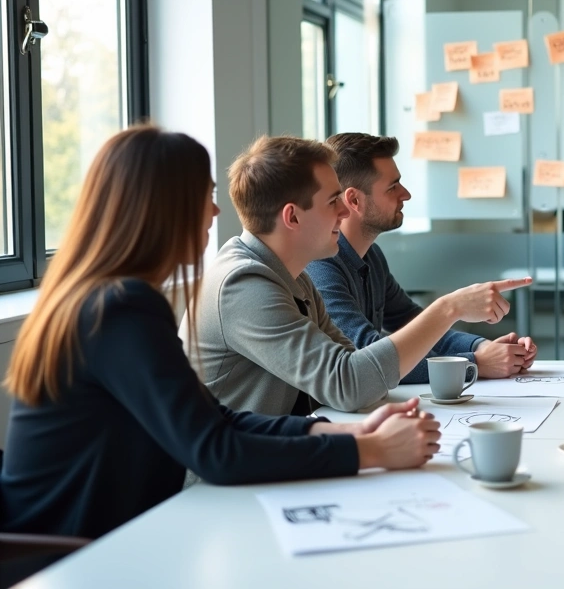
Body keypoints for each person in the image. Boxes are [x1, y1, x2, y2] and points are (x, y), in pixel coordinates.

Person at [0, 125, 441, 543]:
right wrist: (372, 453)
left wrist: (350, 435)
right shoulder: (119, 309)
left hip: (105, 533)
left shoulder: (108, 299)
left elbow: (216, 420)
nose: (215, 211)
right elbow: (215, 449)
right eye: (205, 196)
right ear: (161, 208)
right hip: (72, 553)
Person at [184, 135, 530, 416]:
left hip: (267, 459)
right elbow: (351, 384)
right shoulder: (244, 286)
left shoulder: (294, 277)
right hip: (220, 491)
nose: (342, 211)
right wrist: (449, 310)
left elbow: (362, 375)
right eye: (332, 200)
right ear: (292, 218)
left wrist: (475, 347)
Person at [305, 132, 537, 384]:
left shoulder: (371, 256)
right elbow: (368, 354)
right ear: (354, 200)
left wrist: (482, 347)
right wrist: (475, 364)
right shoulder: (321, 267)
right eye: (393, 187)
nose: (406, 194)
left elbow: (415, 323)